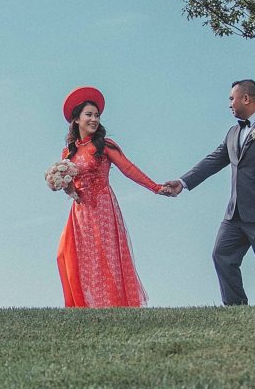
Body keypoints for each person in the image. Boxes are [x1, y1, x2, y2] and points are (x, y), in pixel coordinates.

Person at [162, 79, 255, 305]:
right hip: (235, 214)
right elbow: (213, 160)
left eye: (232, 98)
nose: (230, 104)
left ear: (246, 98)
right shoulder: (233, 132)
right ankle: (235, 307)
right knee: (221, 255)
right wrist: (182, 182)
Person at [49, 86, 171, 308]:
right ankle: (83, 305)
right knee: (66, 255)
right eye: (89, 115)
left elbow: (128, 168)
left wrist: (155, 187)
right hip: (79, 212)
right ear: (77, 119)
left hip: (102, 207)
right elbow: (73, 185)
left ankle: (110, 305)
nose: (94, 119)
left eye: (97, 115)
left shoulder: (104, 146)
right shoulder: (68, 153)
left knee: (103, 258)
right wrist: (67, 188)